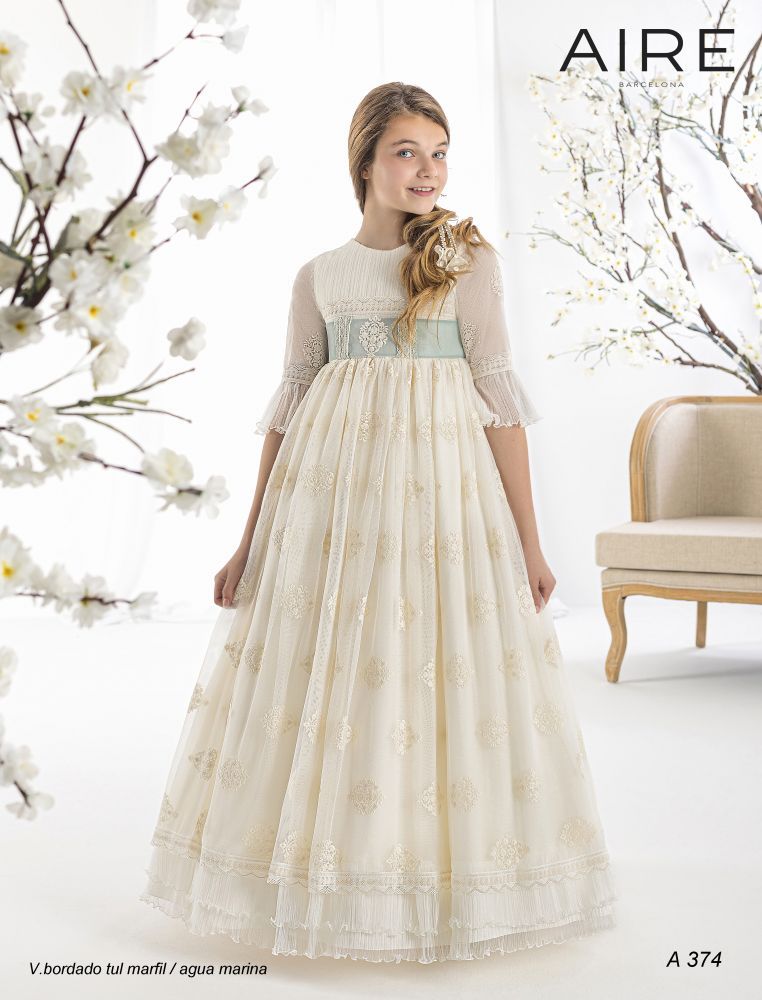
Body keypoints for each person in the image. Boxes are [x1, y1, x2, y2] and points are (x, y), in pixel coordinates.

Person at [139, 82, 618, 963]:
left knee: (435, 674)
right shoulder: (319, 276)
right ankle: (332, 872)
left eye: (439, 153)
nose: (428, 171)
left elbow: (499, 402)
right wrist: (248, 540)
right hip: (332, 511)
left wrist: (529, 540)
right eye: (407, 152)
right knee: (339, 675)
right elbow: (289, 408)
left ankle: (439, 879)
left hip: (442, 504)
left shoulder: (466, 260)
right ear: (364, 162)